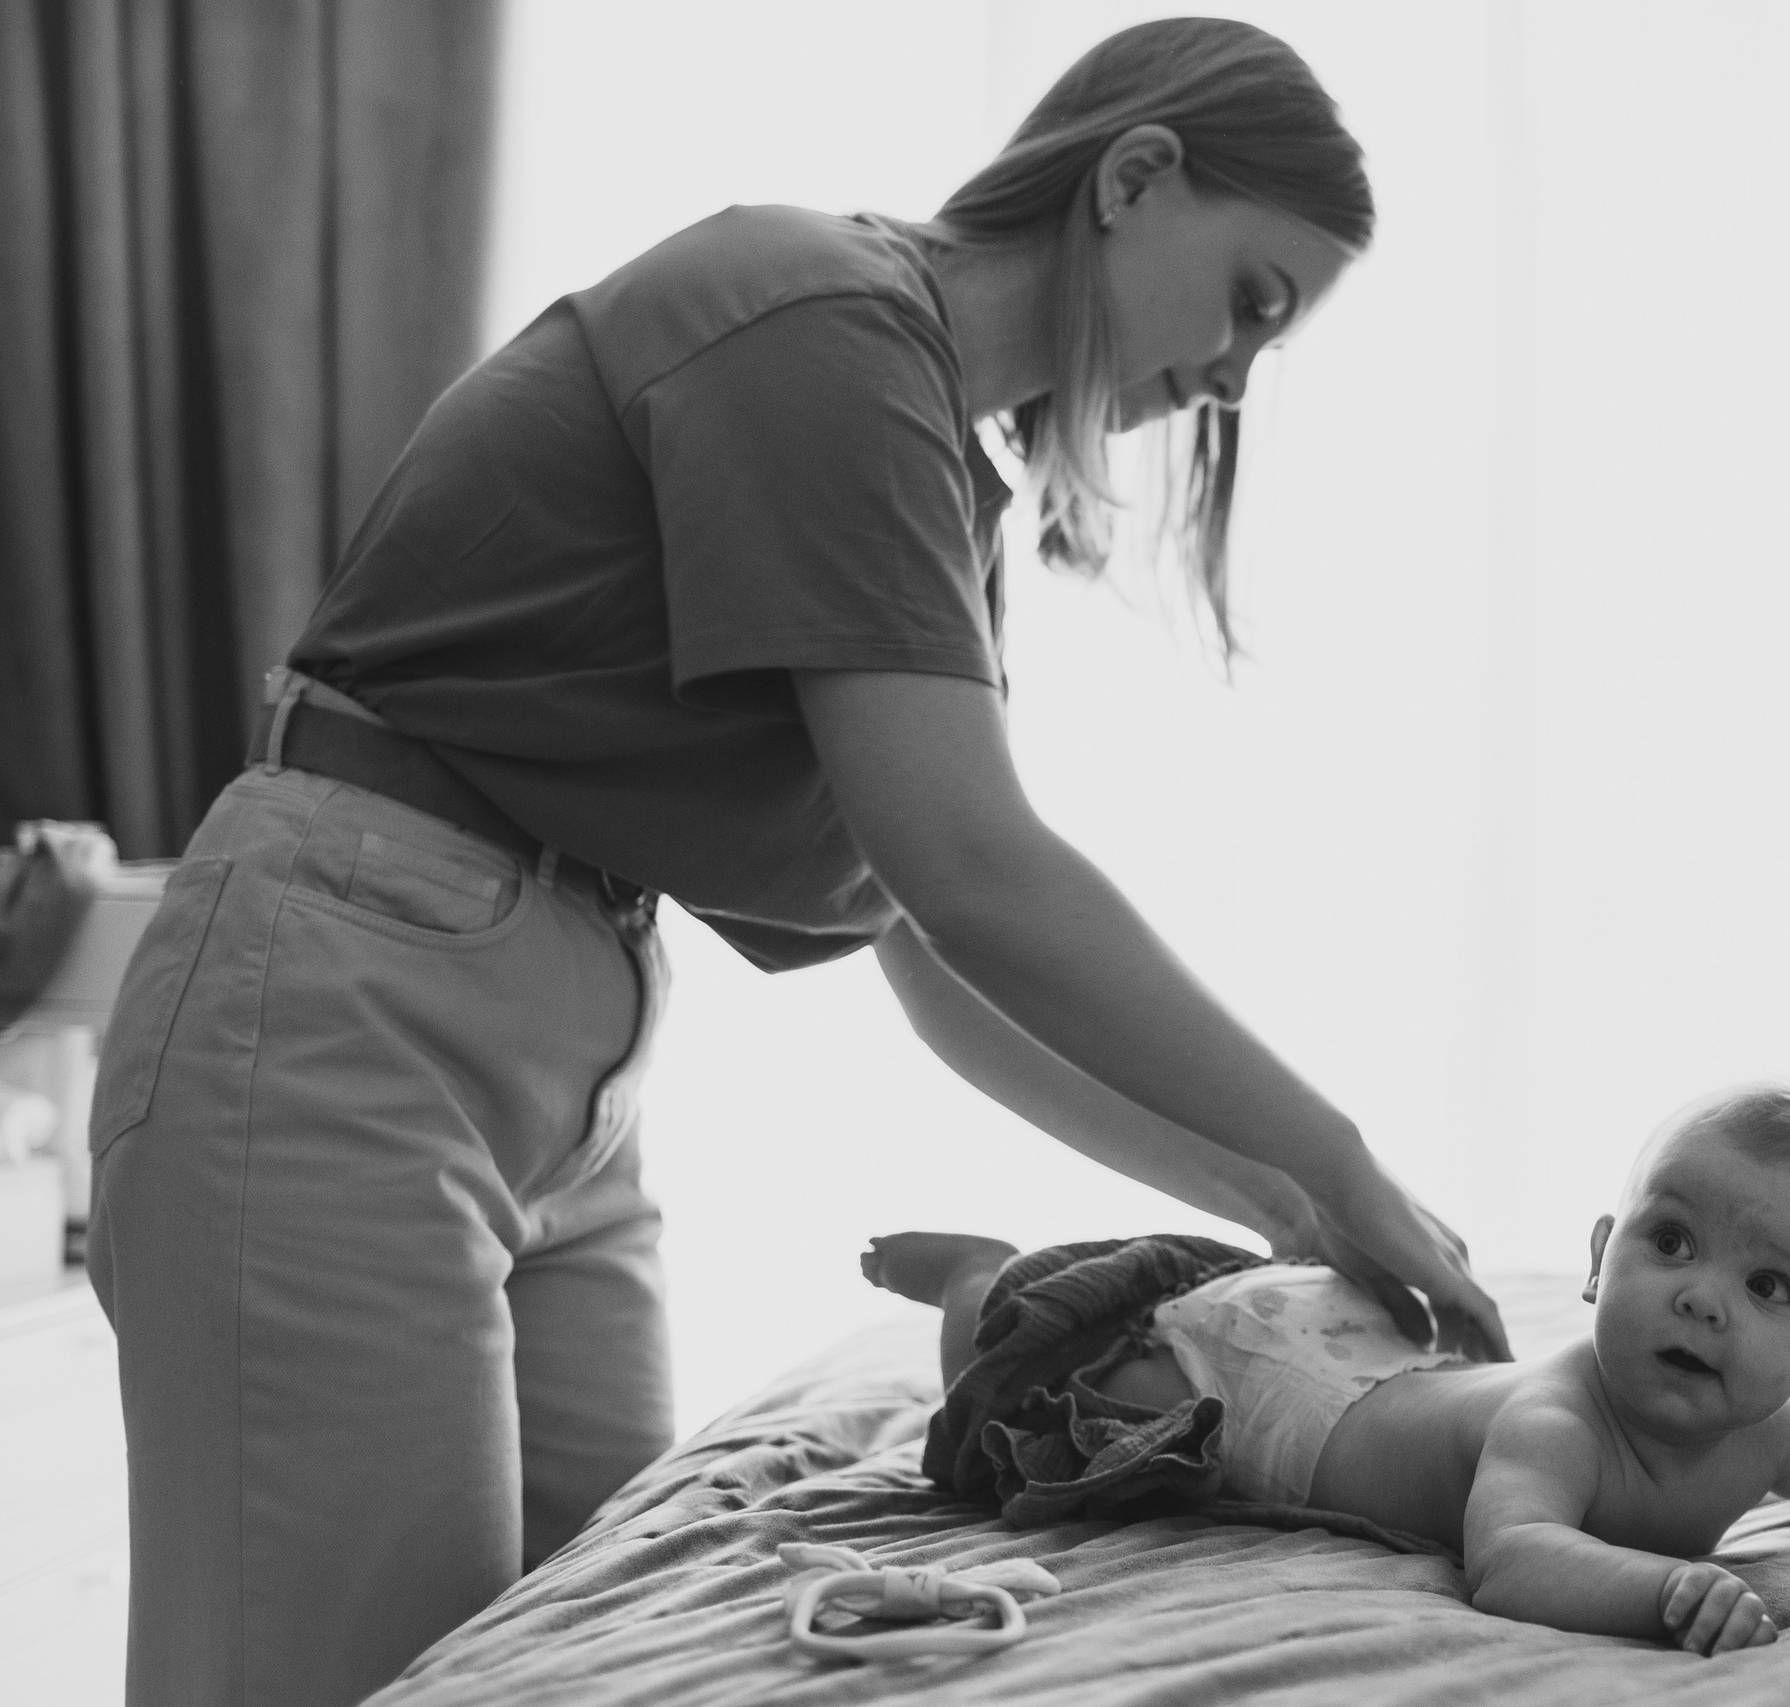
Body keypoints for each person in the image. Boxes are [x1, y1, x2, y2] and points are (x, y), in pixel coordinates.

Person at [82, 19, 1505, 1707]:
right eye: (1253, 300)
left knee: (579, 1660)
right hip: (347, 1003)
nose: (1231, 378)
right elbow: (979, 871)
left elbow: (940, 961)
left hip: (560, 1075)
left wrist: (1273, 1213)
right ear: (1135, 178)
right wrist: (1338, 1163)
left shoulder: (929, 483)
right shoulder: (820, 322)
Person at [866, 1084, 1790, 1657]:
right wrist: (1666, 1589)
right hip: (1270, 1387)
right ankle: (981, 1281)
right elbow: (1511, 1558)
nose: (1702, 1297)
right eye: (1672, 1243)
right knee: (1046, 1390)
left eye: (1768, 1287)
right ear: (1603, 1260)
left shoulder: (1771, 1439)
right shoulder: (1563, 1416)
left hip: (1375, 1364)